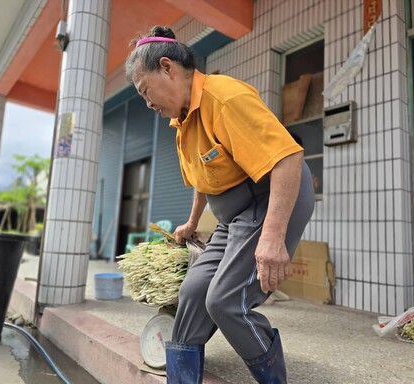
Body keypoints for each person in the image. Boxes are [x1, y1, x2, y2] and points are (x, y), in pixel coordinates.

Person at [125, 26, 315, 384]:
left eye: (145, 90)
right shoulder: (180, 121)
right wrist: (191, 221)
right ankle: (182, 379)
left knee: (226, 301)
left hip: (267, 199)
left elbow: (288, 158)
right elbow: (202, 179)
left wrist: (273, 237)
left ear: (168, 68)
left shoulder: (223, 98)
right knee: (193, 291)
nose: (147, 103)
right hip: (234, 217)